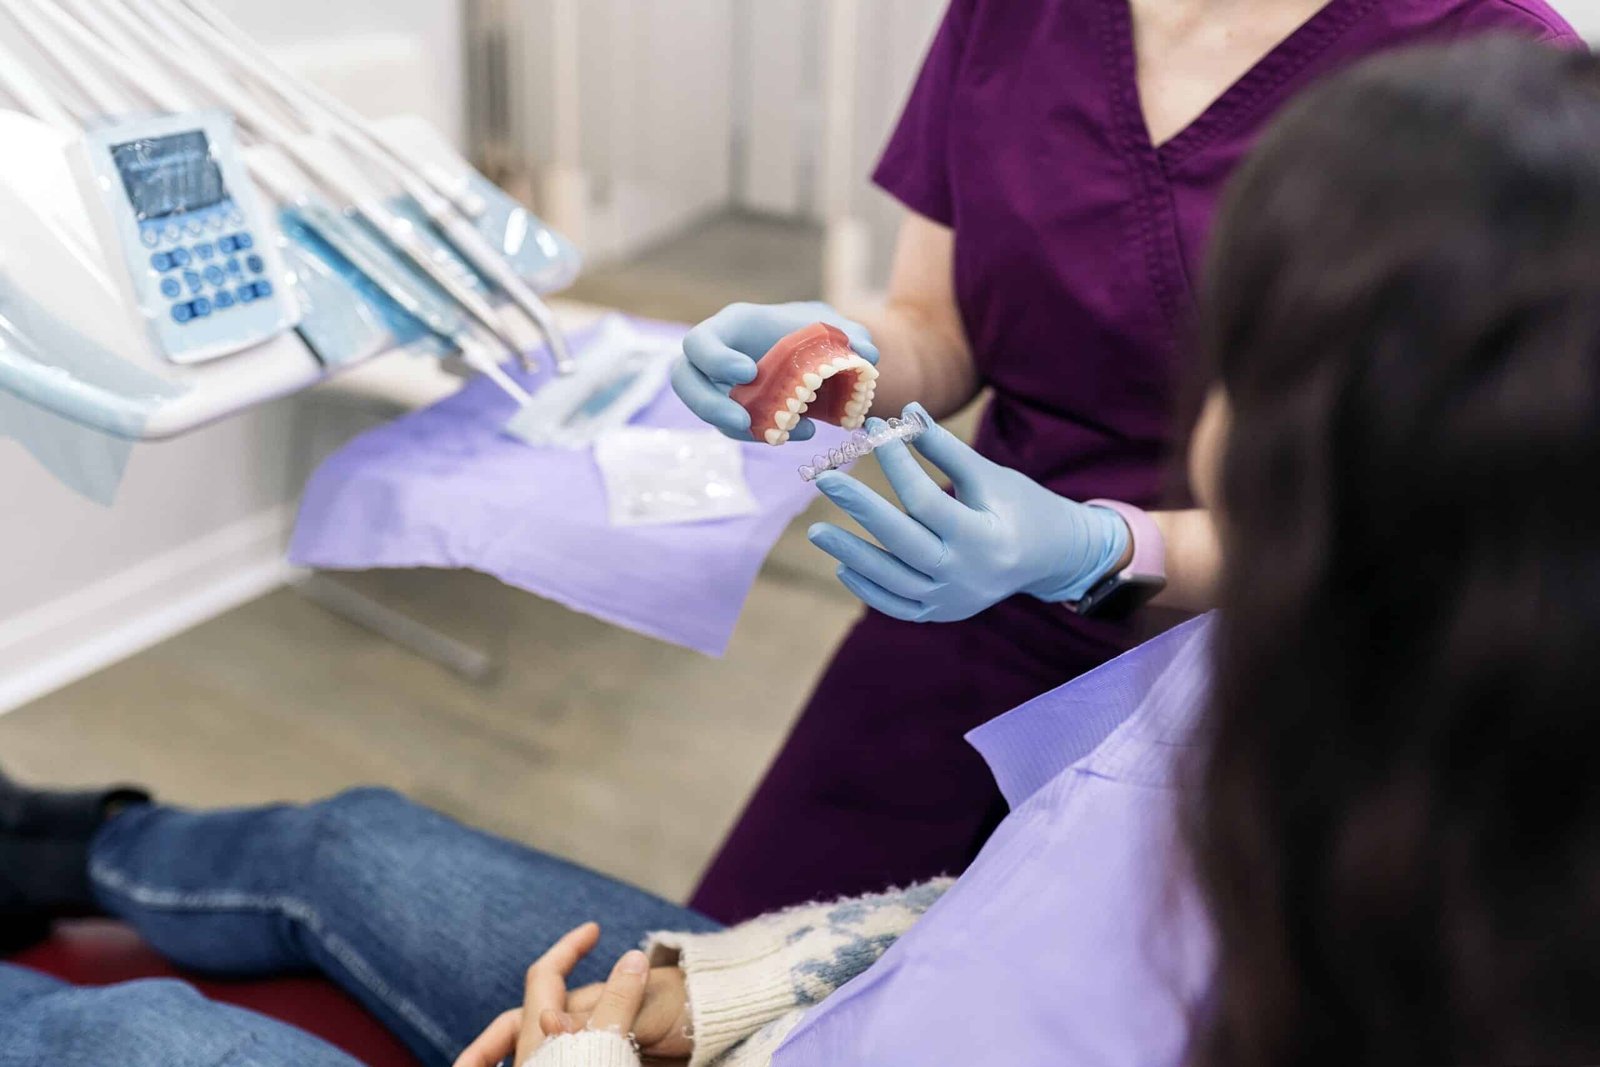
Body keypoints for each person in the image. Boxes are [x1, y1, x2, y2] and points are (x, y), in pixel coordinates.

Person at [8, 34, 1600, 1065]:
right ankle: (50, 843)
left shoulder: (1420, 906)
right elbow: (992, 920)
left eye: (1240, 349)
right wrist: (721, 991)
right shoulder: (1268, 707)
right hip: (850, 929)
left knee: (147, 1037)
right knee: (356, 839)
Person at [673, 0, 1583, 924]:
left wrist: (1096, 549)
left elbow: (1417, 520)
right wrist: (835, 359)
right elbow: (939, 323)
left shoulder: (1487, 68)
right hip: (976, 600)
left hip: (1251, 673)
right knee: (747, 950)